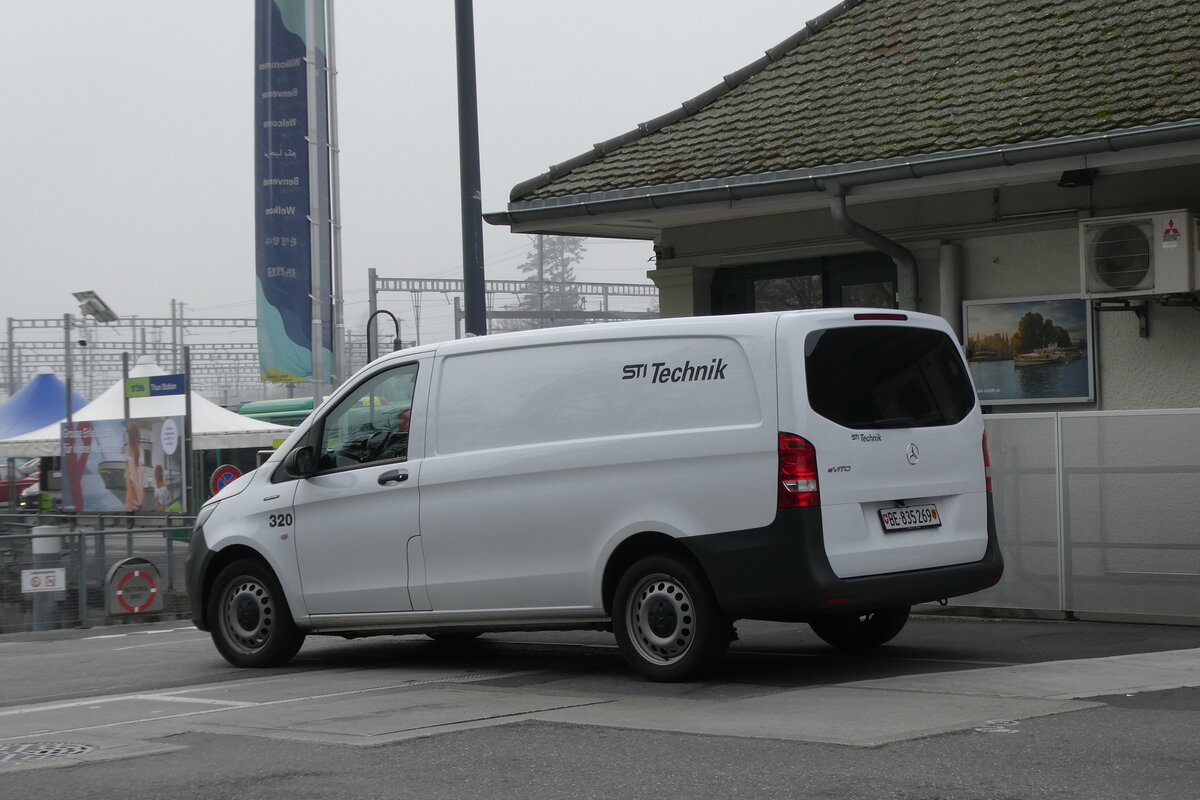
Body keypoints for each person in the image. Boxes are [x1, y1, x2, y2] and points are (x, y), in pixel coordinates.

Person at [124, 423, 144, 513]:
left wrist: (129, 508)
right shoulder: (138, 463)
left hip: (131, 509)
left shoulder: (130, 463)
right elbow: (140, 487)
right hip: (139, 506)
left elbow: (130, 488)